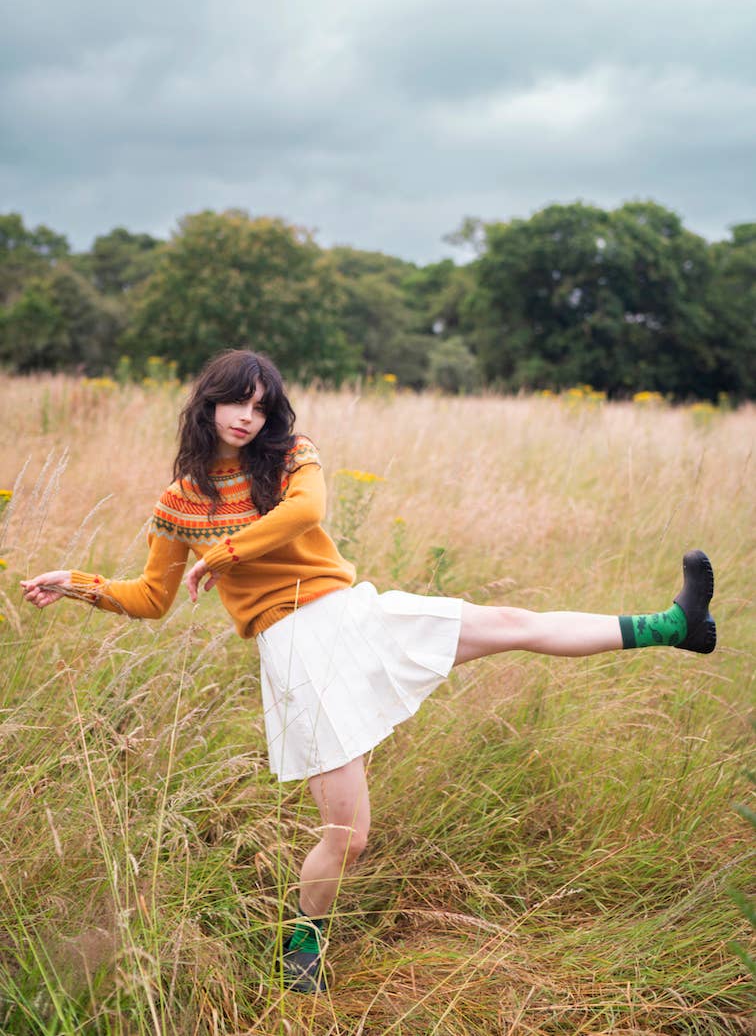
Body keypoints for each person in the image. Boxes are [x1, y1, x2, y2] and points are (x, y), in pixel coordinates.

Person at [21, 349, 717, 994]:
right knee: (349, 838)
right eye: (236, 402)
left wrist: (227, 552)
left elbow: (309, 512)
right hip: (295, 649)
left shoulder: (292, 457)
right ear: (206, 405)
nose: (247, 417)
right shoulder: (180, 501)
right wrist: (77, 582)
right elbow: (150, 598)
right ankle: (301, 950)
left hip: (355, 615)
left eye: (261, 406)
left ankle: (672, 627)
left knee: (509, 624)